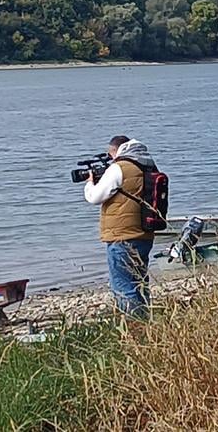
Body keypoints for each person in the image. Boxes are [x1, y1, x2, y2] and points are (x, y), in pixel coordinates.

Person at [83, 136, 156, 319]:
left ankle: (133, 327)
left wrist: (90, 183)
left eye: (110, 155)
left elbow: (94, 197)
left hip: (122, 236)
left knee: (123, 285)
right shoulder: (148, 165)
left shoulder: (119, 168)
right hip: (145, 233)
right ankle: (145, 321)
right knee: (139, 282)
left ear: (115, 151)